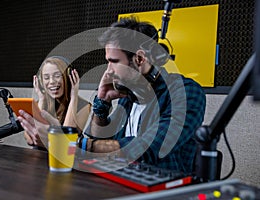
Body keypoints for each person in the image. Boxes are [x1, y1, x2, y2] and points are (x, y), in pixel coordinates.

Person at [79, 17, 206, 173]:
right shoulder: (128, 96)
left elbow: (147, 148)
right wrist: (102, 104)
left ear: (139, 59)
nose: (109, 70)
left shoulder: (185, 93)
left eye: (114, 61)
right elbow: (102, 145)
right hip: (121, 181)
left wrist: (79, 145)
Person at [18, 56, 91, 150]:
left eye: (57, 76)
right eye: (46, 78)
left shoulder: (84, 106)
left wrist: (74, 96)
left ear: (68, 77)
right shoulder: (40, 103)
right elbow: (30, 139)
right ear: (41, 81)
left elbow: (67, 140)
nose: (52, 82)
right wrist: (41, 98)